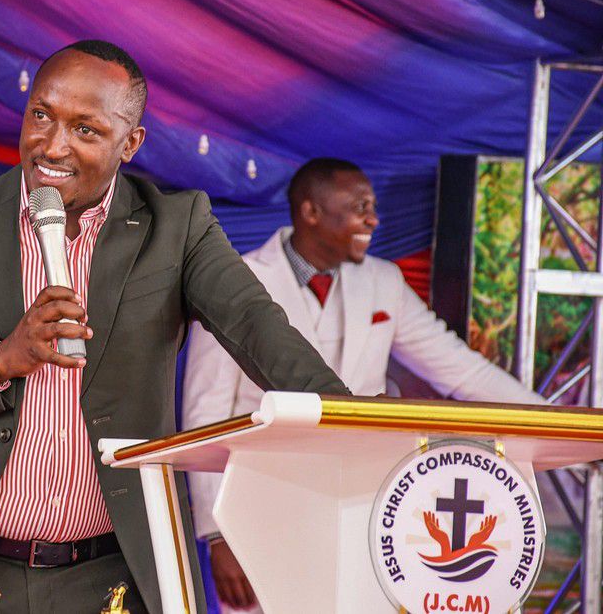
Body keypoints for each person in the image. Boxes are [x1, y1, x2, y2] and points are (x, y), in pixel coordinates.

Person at [0, 41, 350, 614]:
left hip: (118, 576)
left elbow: (256, 326)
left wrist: (354, 421)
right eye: (41, 115)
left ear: (130, 143)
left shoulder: (176, 228)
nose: (52, 145)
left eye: (85, 129)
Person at [181, 157, 547, 613]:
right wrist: (218, 534)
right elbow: (205, 413)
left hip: (367, 507)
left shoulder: (383, 281)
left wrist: (555, 420)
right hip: (263, 510)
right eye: (360, 207)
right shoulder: (240, 280)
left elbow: (460, 369)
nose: (374, 219)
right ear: (311, 212)